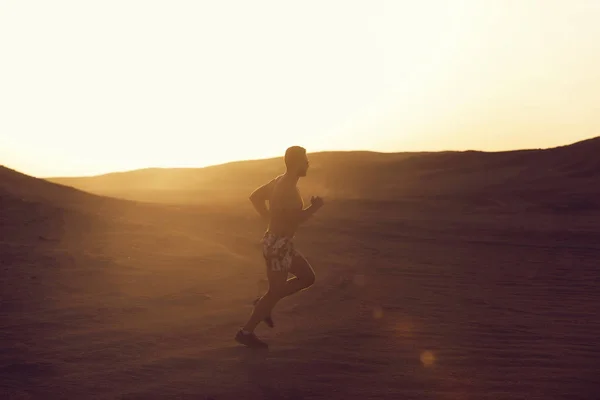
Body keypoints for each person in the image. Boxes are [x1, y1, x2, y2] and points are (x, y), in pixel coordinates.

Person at [235, 146, 324, 348]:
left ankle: (264, 304)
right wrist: (315, 208)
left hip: (279, 243)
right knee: (275, 292)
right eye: (305, 160)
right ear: (296, 163)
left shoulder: (279, 181)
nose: (308, 163)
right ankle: (246, 331)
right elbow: (296, 219)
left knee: (307, 278)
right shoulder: (288, 189)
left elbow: (255, 197)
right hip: (278, 246)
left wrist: (268, 218)